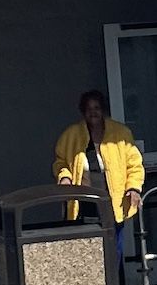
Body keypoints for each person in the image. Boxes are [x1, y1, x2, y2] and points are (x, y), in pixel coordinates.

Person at [52, 90, 144, 253]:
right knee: (88, 250)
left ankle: (115, 278)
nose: (93, 112)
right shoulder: (71, 135)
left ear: (103, 110)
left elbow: (134, 165)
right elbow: (61, 162)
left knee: (113, 249)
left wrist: (133, 188)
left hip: (112, 201)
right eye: (88, 109)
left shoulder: (120, 133)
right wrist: (65, 177)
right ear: (83, 111)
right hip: (85, 202)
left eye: (97, 108)